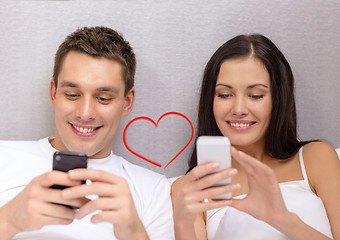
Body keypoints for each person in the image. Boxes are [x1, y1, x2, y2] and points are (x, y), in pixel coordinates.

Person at [0, 26, 174, 240]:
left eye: (103, 98)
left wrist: (134, 234)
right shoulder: (3, 157)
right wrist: (8, 221)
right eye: (73, 95)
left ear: (127, 102)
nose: (85, 113)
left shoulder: (153, 190)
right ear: (54, 94)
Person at [171, 34, 340, 239]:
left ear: (278, 99)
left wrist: (283, 219)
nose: (239, 109)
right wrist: (182, 221)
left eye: (256, 95)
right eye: (225, 95)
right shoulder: (190, 187)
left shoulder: (316, 158)